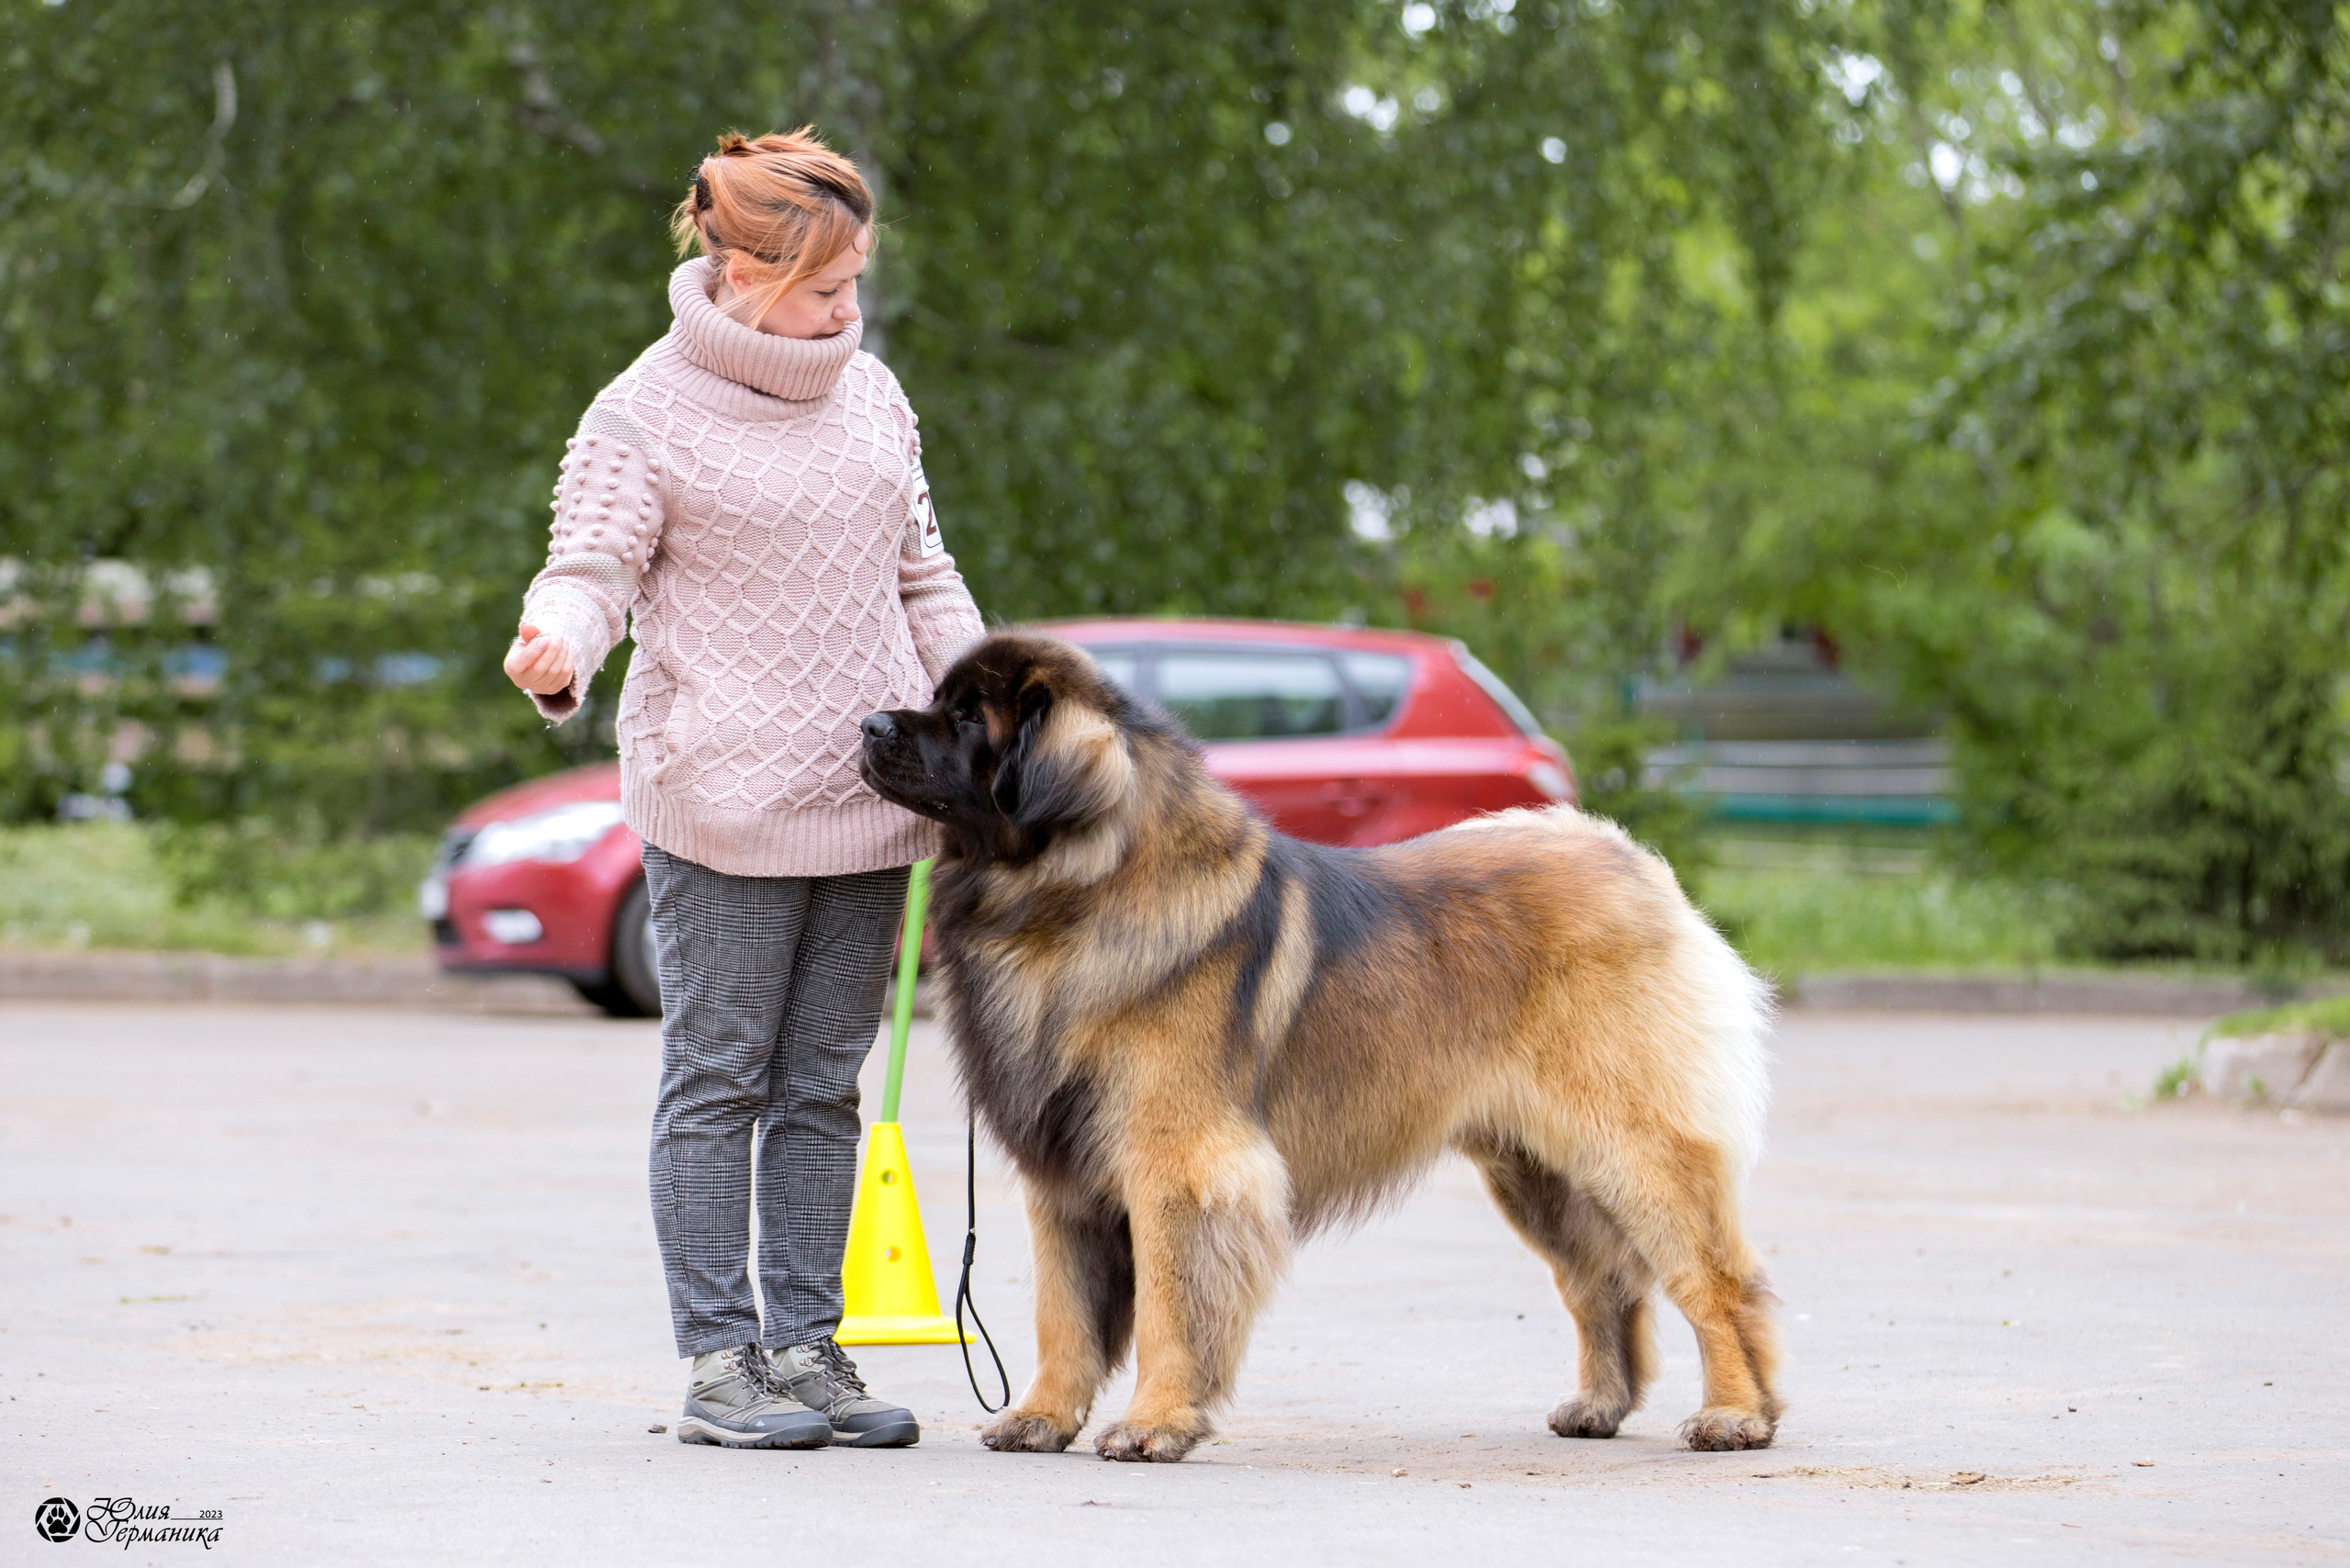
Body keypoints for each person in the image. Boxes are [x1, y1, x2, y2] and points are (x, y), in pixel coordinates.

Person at [502, 129, 984, 1450]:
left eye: (857, 284)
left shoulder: (876, 397)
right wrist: (556, 644)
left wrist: (990, 701)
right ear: (738, 267)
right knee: (718, 1079)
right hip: (720, 798)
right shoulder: (640, 412)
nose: (847, 312)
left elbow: (923, 575)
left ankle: (809, 1348)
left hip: (876, 800)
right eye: (825, 288)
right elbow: (588, 570)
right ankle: (721, 1363)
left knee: (823, 1081)